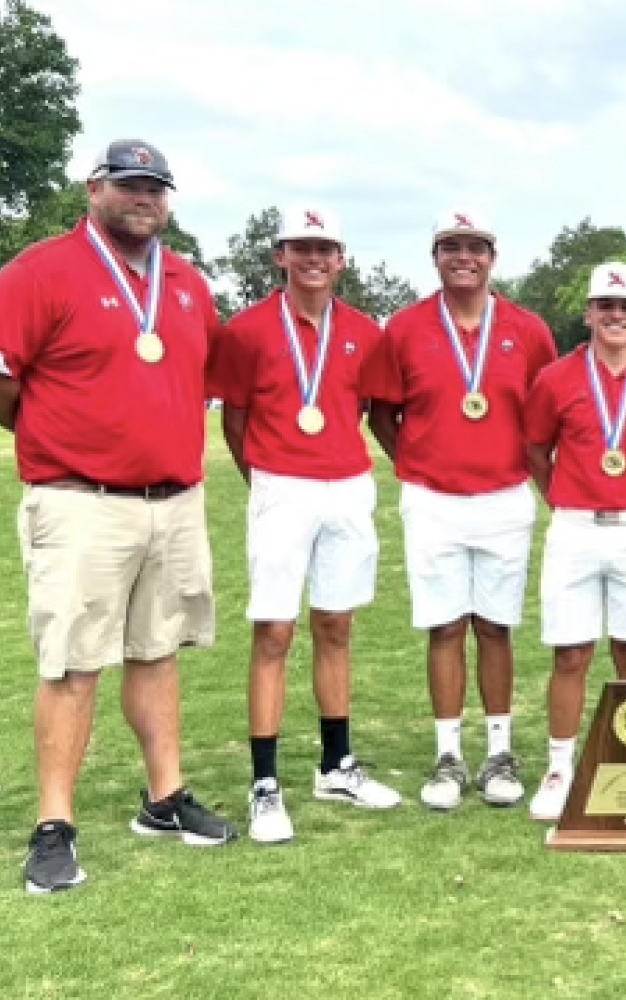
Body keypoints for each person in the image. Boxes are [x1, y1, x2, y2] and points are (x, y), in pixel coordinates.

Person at [0, 139, 238, 894]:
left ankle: (164, 798)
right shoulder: (40, 270)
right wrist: (53, 437)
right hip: (81, 500)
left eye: (157, 189)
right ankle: (54, 823)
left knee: (157, 651)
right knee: (72, 662)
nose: (145, 198)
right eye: (130, 184)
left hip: (172, 501)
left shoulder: (192, 285)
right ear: (95, 187)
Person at [213, 205, 403, 844]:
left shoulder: (365, 332)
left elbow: (369, 409)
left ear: (342, 259)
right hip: (280, 485)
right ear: (280, 256)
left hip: (348, 485)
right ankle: (265, 783)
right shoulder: (246, 331)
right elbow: (233, 420)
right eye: (302, 248)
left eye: (326, 249)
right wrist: (268, 480)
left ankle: (335, 765)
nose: (315, 259)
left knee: (336, 625)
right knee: (274, 631)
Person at [362, 210, 558, 812]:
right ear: (436, 256)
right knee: (445, 626)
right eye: (451, 247)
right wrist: (420, 464)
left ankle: (500, 752)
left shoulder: (527, 330)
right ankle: (449, 754)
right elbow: (382, 415)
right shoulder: (405, 328)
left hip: (504, 497)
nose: (463, 257)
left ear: (493, 258)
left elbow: (548, 416)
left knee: (495, 626)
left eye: (475, 247)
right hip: (433, 501)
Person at [523, 262, 626, 822]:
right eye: (606, 306)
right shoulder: (556, 378)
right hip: (574, 528)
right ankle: (559, 767)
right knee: (571, 652)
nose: (616, 316)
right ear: (589, 313)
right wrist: (567, 501)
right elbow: (536, 451)